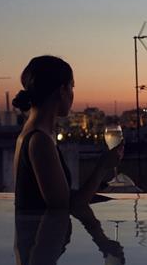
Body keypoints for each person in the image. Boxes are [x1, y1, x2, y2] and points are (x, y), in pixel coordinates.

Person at [11, 55, 124, 209]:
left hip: (36, 232)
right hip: (43, 233)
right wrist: (103, 166)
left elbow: (60, 195)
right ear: (62, 90)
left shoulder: (32, 132)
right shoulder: (40, 140)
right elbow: (65, 206)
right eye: (72, 86)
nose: (72, 93)